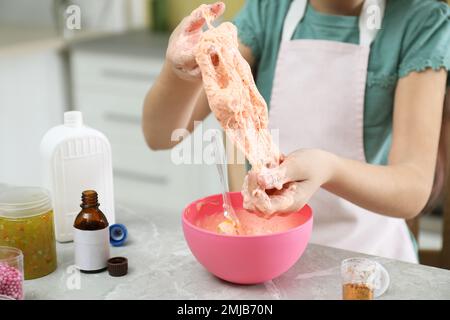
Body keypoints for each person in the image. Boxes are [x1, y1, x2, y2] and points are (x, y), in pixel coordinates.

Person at [142, 0, 450, 262]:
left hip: (367, 260)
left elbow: (412, 189)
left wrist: (329, 169)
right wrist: (179, 73)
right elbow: (161, 134)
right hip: (270, 254)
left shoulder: (420, 21)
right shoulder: (271, 9)